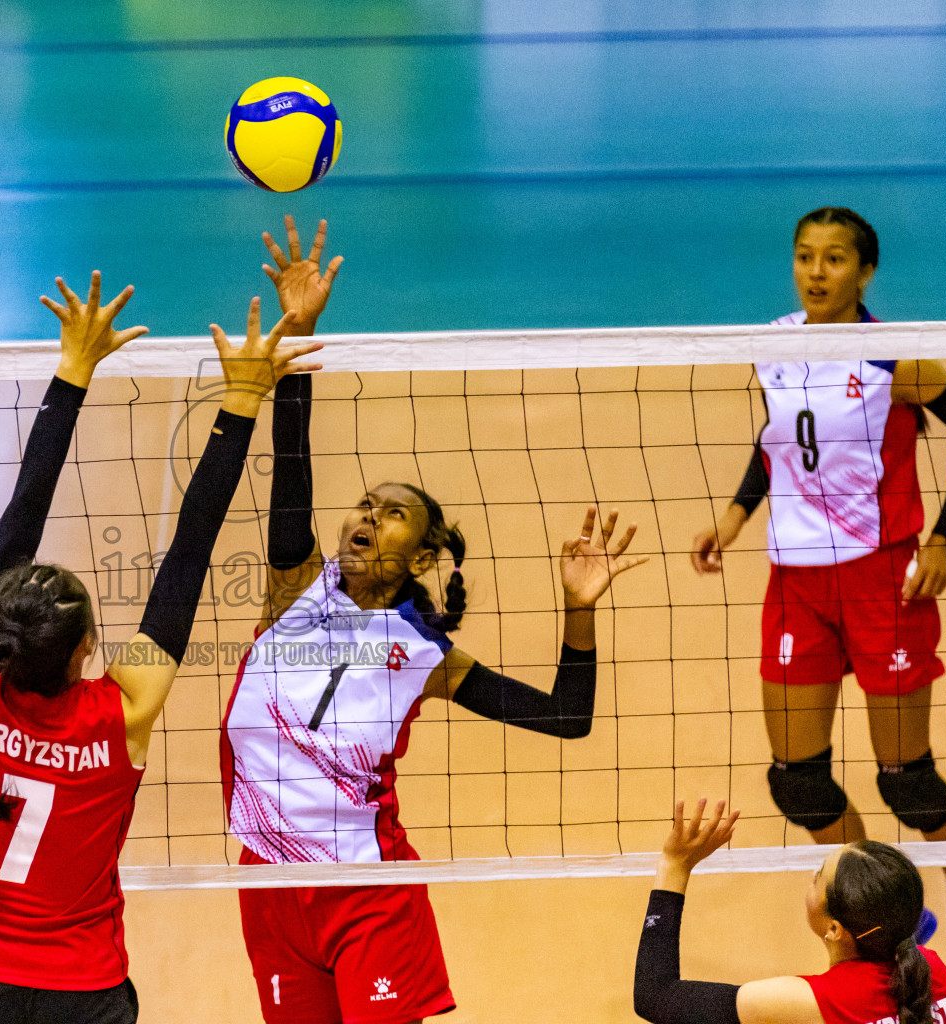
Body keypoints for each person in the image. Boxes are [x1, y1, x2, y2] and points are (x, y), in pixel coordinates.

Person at [221, 217, 648, 1024]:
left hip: (368, 895)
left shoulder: (424, 657)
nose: (367, 518)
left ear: (422, 555)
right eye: (366, 506)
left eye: (392, 517)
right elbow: (292, 463)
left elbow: (566, 717)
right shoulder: (295, 593)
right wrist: (302, 341)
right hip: (268, 885)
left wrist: (577, 613)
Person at [0, 271, 321, 1024]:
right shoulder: (120, 713)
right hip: (80, 995)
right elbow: (188, 556)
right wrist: (241, 402)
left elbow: (20, 514)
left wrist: (71, 370)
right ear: (83, 658)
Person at [690, 207, 946, 1006]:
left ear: (865, 273)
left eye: (835, 259)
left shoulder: (891, 355)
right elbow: (780, 441)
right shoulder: (775, 342)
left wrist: (943, 541)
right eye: (805, 256)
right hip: (795, 584)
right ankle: (890, 919)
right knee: (798, 783)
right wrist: (733, 518)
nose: (817, 271)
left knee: (907, 779)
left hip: (884, 580)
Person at [634, 798, 946, 1024]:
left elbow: (655, 996)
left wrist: (674, 866)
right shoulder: (935, 972)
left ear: (835, 929)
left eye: (818, 876)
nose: (811, 875)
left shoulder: (819, 1002)